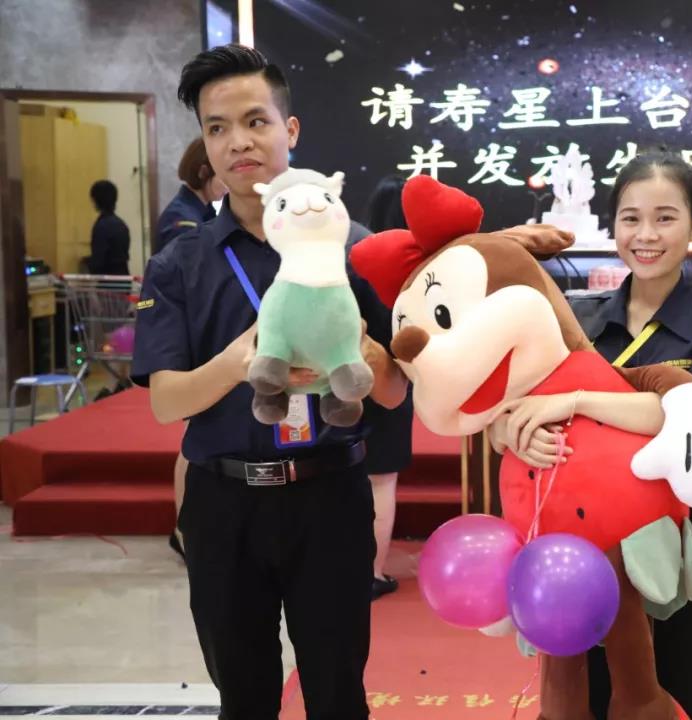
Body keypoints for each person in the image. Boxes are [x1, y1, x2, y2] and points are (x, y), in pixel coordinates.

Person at [132, 44, 407, 720]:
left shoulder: (356, 249)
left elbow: (395, 393)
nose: (238, 142)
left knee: (338, 694)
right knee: (244, 696)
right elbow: (166, 401)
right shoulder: (181, 262)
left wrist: (359, 347)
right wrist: (237, 362)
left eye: (255, 120)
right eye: (217, 127)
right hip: (224, 505)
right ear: (205, 143)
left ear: (291, 129)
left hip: (331, 496)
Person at [490, 151, 692, 720]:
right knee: (578, 697)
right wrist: (513, 431)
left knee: (671, 694)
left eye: (665, 217)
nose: (646, 235)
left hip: (675, 551)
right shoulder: (575, 320)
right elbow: (502, 413)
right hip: (574, 550)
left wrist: (576, 400)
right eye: (631, 219)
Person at [158, 138, 229, 561]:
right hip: (192, 343)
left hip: (202, 339)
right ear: (205, 171)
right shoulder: (182, 221)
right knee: (193, 441)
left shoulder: (198, 211)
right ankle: (185, 530)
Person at [361, 175, 415, 600]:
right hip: (393, 384)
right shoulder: (415, 272)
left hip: (350, 385)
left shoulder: (356, 262)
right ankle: (373, 573)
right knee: (382, 483)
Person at [155, 137, 228, 254]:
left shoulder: (203, 212)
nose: (228, 187)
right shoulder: (185, 223)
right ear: (203, 172)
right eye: (224, 179)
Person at [88, 180, 130, 275]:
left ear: (96, 200)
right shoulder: (122, 224)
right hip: (124, 276)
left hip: (107, 279)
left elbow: (98, 260)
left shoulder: (101, 226)